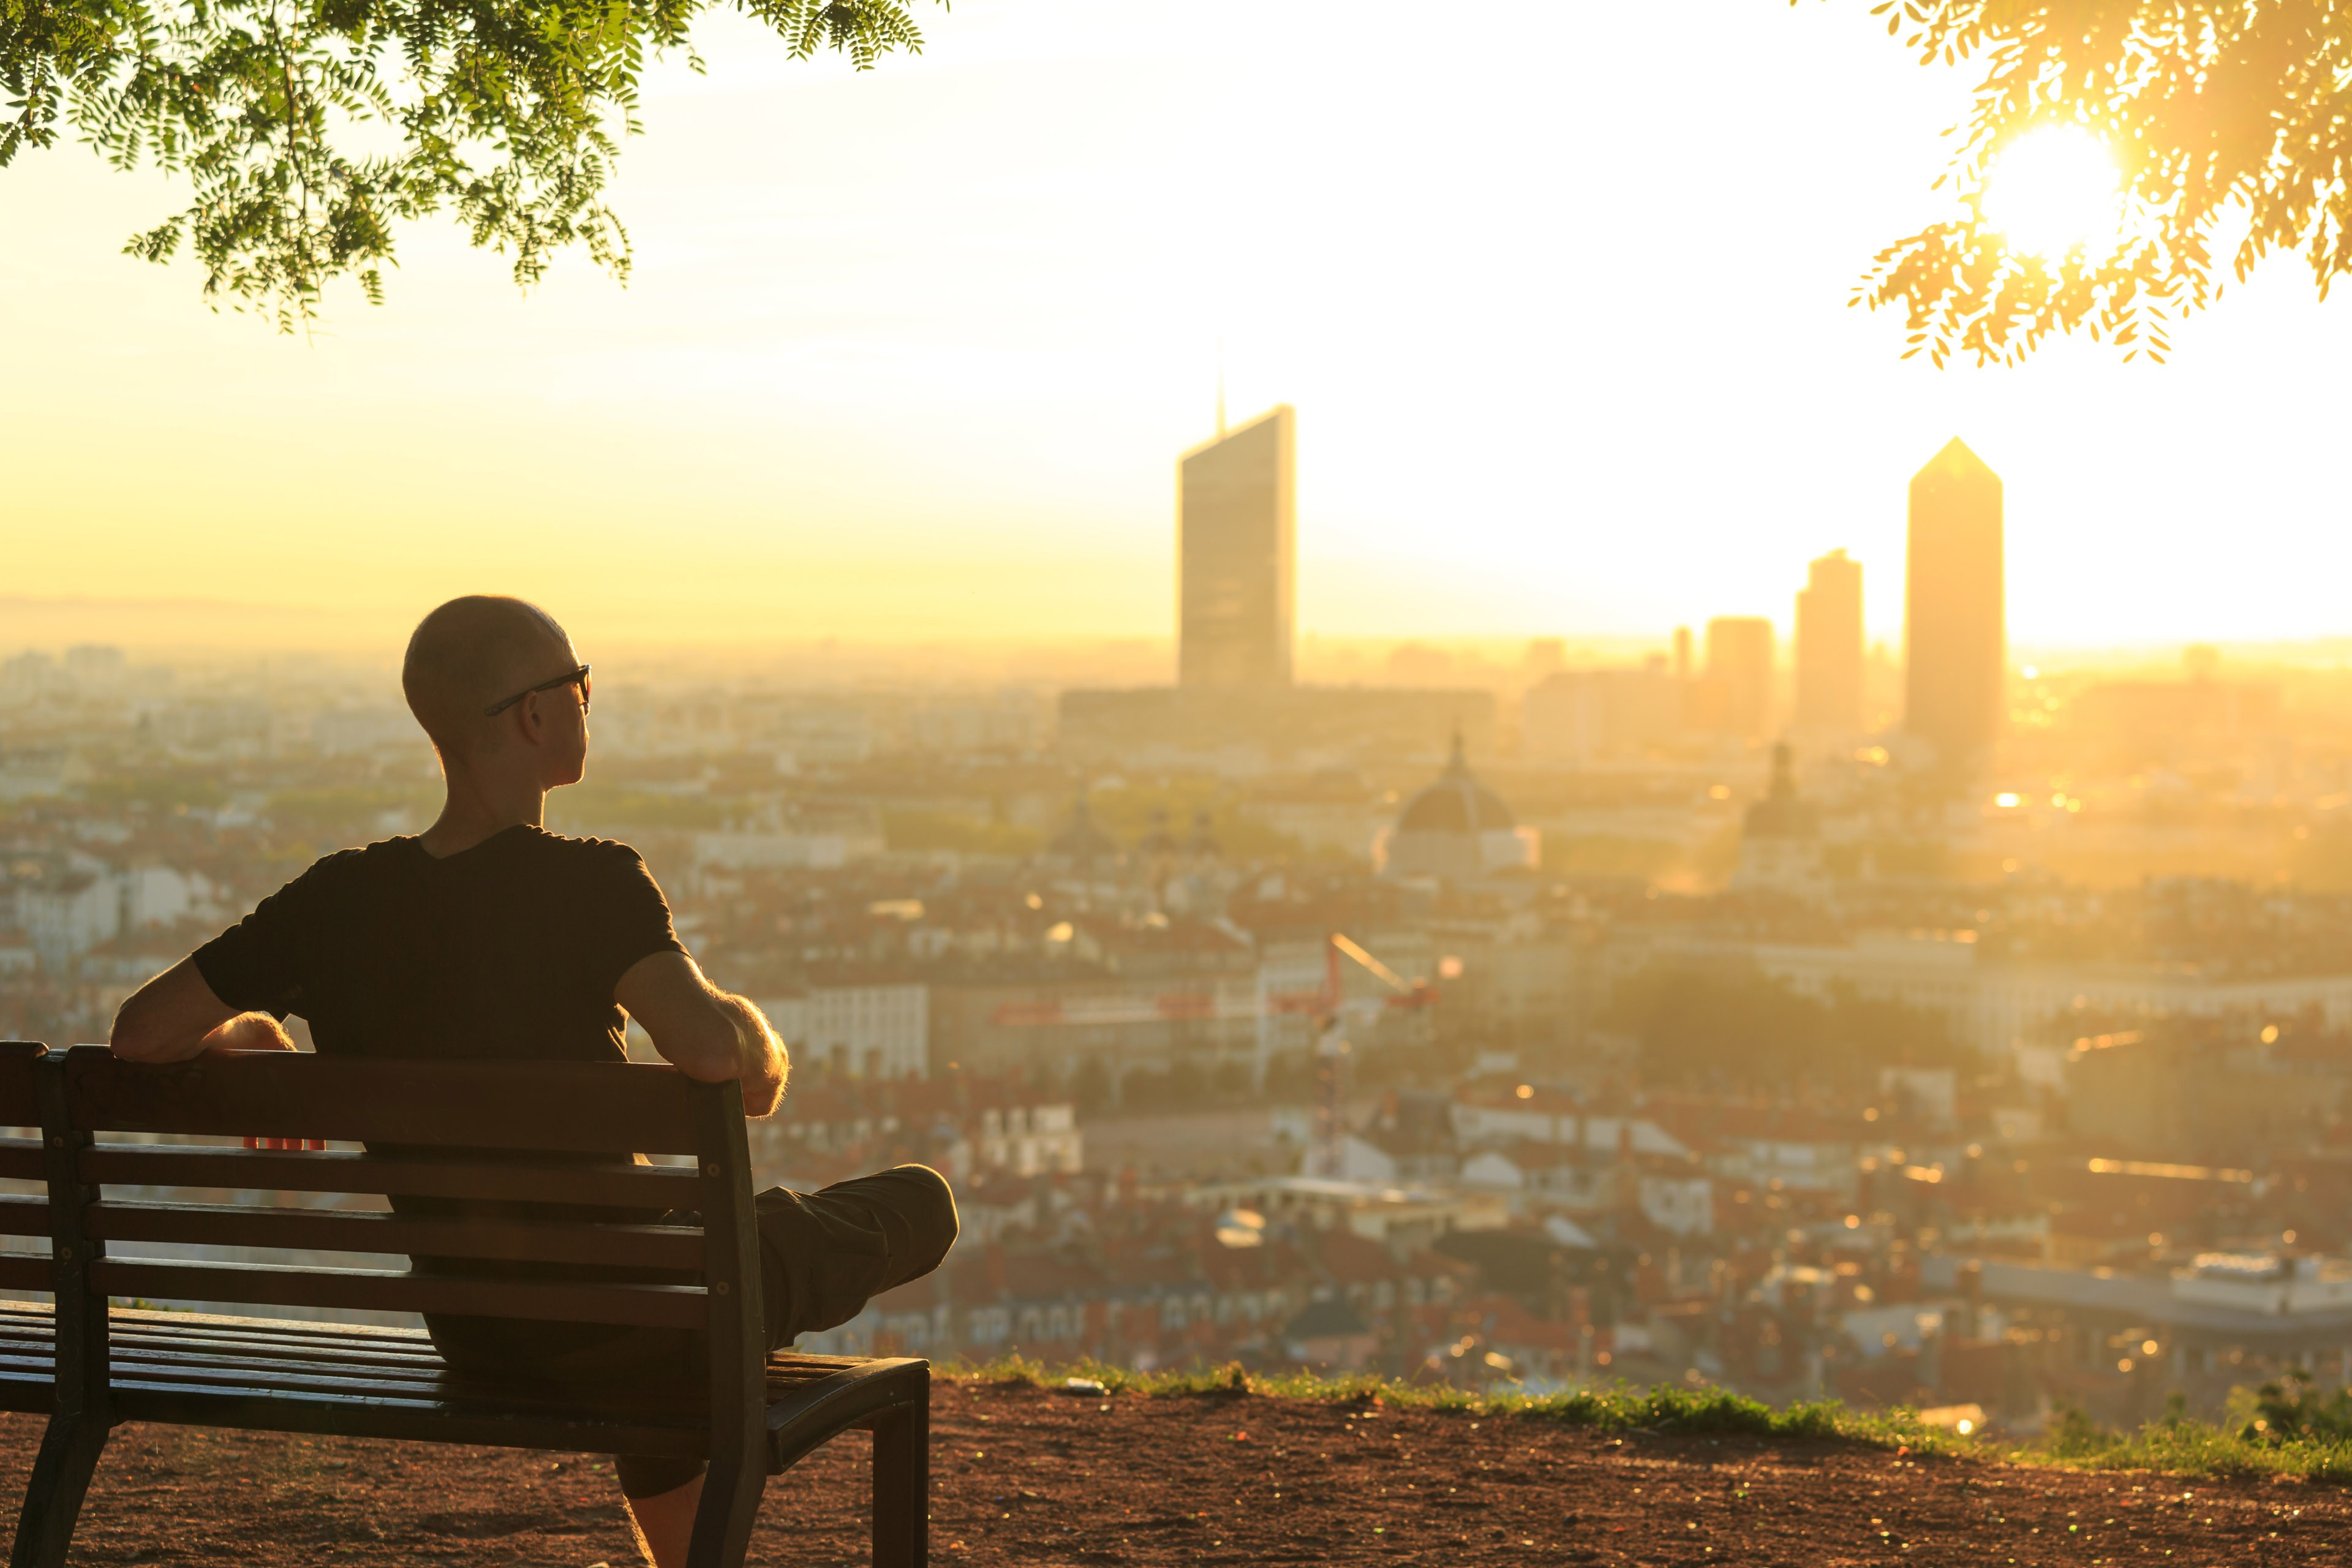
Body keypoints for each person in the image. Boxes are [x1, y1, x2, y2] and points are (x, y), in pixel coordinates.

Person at [106, 595, 957, 1568]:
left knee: (659, 1302)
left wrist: (255, 1030)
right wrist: (755, 1037)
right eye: (580, 683)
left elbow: (140, 1034)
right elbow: (722, 1061)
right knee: (914, 1203)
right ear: (535, 716)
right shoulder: (593, 884)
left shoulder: (334, 901)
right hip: (640, 1314)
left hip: (475, 1333)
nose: (589, 701)